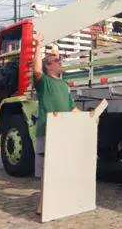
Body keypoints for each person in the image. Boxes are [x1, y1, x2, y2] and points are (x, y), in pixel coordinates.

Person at [32, 32, 84, 215]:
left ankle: (60, 201)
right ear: (48, 66)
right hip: (47, 131)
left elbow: (72, 109)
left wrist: (88, 117)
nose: (61, 62)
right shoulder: (43, 82)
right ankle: (42, 204)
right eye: (57, 60)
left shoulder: (63, 85)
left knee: (62, 169)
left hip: (63, 133)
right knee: (48, 171)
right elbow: (36, 70)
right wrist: (37, 45)